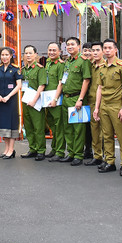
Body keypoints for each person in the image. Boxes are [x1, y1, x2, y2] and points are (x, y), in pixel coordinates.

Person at [93, 39, 122, 174]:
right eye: (105, 48)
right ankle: (110, 161)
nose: (107, 50)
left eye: (109, 48)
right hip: (104, 104)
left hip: (117, 104)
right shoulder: (102, 67)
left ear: (115, 49)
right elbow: (99, 88)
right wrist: (96, 108)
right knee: (107, 135)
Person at [51, 37, 91, 166]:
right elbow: (62, 81)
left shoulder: (83, 61)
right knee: (67, 127)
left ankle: (79, 154)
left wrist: (80, 99)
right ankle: (72, 152)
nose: (69, 47)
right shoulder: (67, 62)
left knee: (78, 128)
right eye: (67, 45)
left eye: (72, 44)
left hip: (76, 98)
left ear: (78, 46)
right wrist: (56, 98)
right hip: (66, 98)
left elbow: (86, 80)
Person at [19, 45, 47, 161]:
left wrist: (34, 100)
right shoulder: (23, 70)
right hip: (25, 101)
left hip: (36, 102)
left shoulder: (40, 69)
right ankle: (33, 148)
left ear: (36, 55)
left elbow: (42, 85)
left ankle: (41, 150)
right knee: (29, 126)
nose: (28, 55)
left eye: (30, 53)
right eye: (26, 53)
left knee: (38, 127)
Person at [0, 47, 22, 159]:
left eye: (7, 55)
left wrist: (9, 96)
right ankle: (6, 149)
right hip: (1, 100)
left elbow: (19, 85)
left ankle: (11, 150)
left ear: (11, 56)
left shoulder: (15, 69)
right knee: (4, 124)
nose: (4, 57)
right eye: (2, 55)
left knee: (11, 124)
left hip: (11, 101)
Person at [44, 42, 66, 160]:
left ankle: (60, 151)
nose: (51, 52)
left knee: (59, 126)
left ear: (59, 52)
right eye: (50, 50)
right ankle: (54, 148)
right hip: (47, 99)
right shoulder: (48, 63)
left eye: (54, 50)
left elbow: (60, 83)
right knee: (52, 125)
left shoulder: (60, 65)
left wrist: (55, 99)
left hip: (56, 100)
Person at [85, 42, 105, 166]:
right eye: (93, 50)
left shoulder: (106, 66)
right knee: (95, 130)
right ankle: (97, 155)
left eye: (98, 50)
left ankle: (107, 156)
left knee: (105, 132)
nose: (95, 52)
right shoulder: (91, 66)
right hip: (92, 101)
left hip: (105, 101)